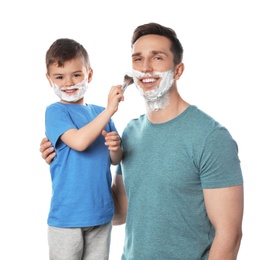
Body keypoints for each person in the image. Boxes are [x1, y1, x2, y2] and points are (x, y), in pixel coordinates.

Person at [40, 23, 244, 260]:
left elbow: (229, 236)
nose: (146, 68)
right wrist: (70, 160)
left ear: (177, 71)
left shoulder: (210, 137)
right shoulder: (131, 133)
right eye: (138, 59)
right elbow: (120, 211)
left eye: (157, 58)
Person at [43, 38, 123, 260]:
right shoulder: (55, 112)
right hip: (67, 217)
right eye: (60, 77)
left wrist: (116, 147)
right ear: (49, 80)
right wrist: (109, 111)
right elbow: (79, 142)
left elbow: (115, 159)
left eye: (76, 75)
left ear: (89, 74)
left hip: (101, 214)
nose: (69, 83)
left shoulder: (99, 113)